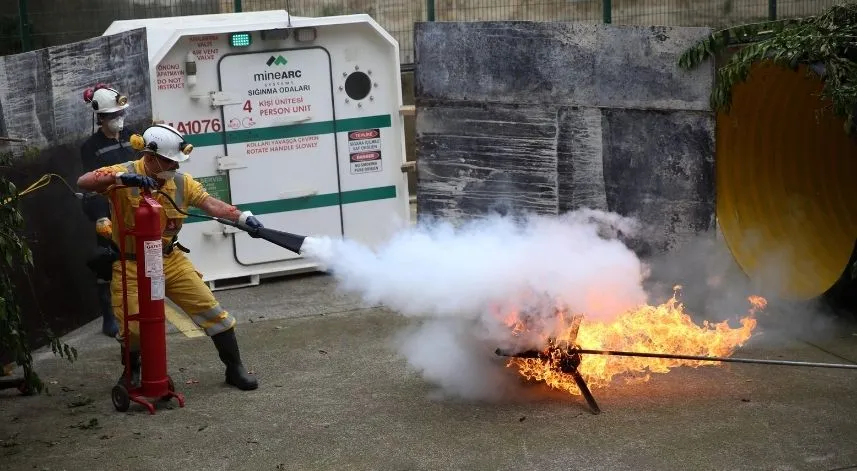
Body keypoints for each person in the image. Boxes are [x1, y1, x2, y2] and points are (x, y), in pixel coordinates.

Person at [76, 123, 264, 391]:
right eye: (168, 161)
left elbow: (211, 204)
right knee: (133, 328)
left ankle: (234, 368)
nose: (174, 167)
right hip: (131, 263)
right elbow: (84, 181)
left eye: (176, 162)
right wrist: (121, 180)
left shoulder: (181, 182)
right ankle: (132, 373)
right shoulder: (123, 173)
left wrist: (242, 217)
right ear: (149, 157)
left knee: (213, 312)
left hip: (169, 259)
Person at [79, 84, 136, 337]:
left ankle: (135, 310)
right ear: (100, 118)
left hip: (134, 208)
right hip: (109, 210)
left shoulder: (133, 138)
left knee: (136, 261)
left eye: (121, 114)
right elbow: (92, 185)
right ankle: (109, 317)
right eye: (113, 116)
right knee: (107, 264)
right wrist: (100, 215)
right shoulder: (90, 147)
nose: (118, 119)